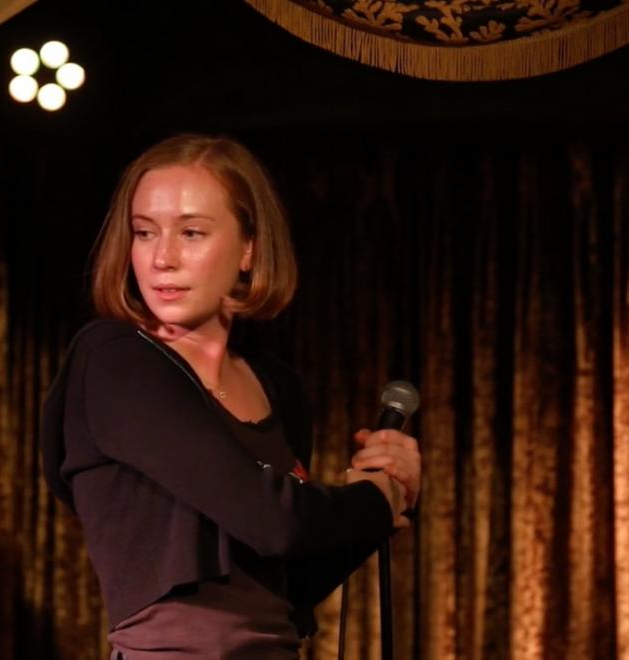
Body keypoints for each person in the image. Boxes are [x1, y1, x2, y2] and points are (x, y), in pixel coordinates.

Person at [39, 134, 421, 659]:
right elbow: (273, 519)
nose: (162, 258)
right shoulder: (116, 360)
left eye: (191, 232)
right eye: (144, 232)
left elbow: (292, 579)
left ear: (249, 248)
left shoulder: (279, 388)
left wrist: (389, 488)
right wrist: (372, 502)